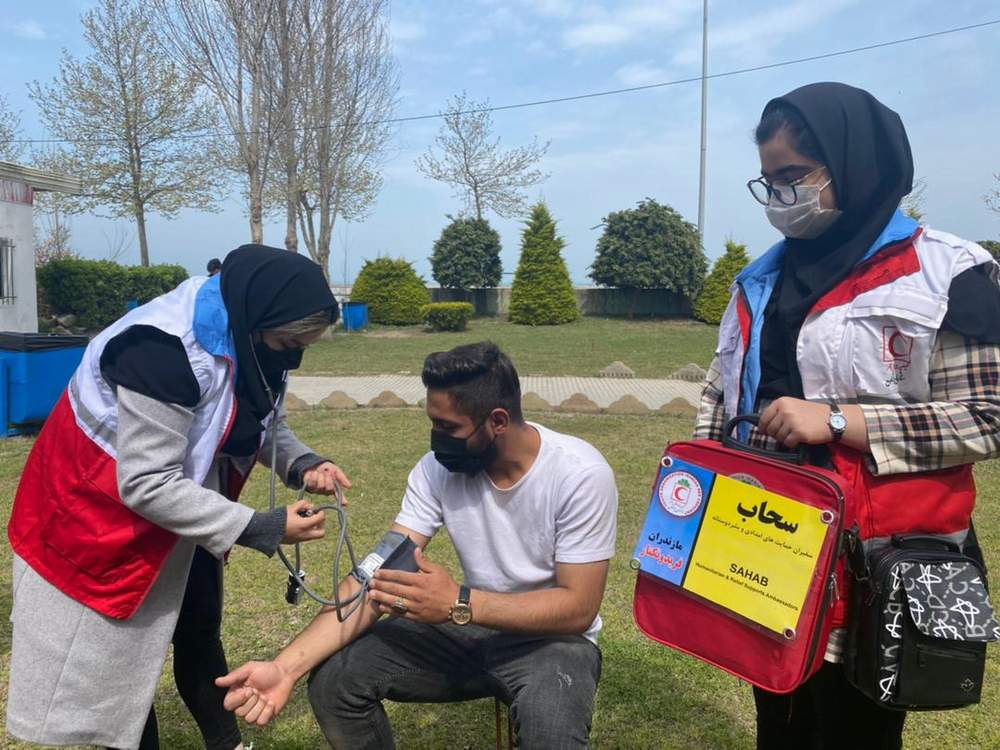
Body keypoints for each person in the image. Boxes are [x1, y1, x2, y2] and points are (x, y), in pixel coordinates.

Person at [695, 82, 1000, 749]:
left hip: (878, 561)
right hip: (767, 546)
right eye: (769, 181)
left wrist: (837, 421)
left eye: (794, 176)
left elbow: (987, 417)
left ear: (852, 162)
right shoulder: (758, 282)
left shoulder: (945, 273)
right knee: (780, 718)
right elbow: (722, 396)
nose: (780, 196)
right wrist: (694, 489)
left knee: (858, 728)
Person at [7, 245, 353, 750]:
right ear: (259, 320)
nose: (292, 356)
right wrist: (263, 526)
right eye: (288, 343)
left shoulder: (249, 333)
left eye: (303, 346)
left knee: (198, 627)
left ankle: (227, 743)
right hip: (98, 516)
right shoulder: (162, 349)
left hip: (181, 508)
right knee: (118, 665)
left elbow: (260, 421)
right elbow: (146, 482)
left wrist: (303, 462)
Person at [216, 342, 619, 749]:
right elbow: (377, 574)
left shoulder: (579, 474)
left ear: (497, 420)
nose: (436, 440)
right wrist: (284, 668)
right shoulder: (436, 471)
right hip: (470, 629)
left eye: (448, 428)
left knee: (551, 731)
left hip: (553, 641)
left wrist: (459, 603)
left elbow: (578, 608)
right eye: (433, 423)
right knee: (335, 679)